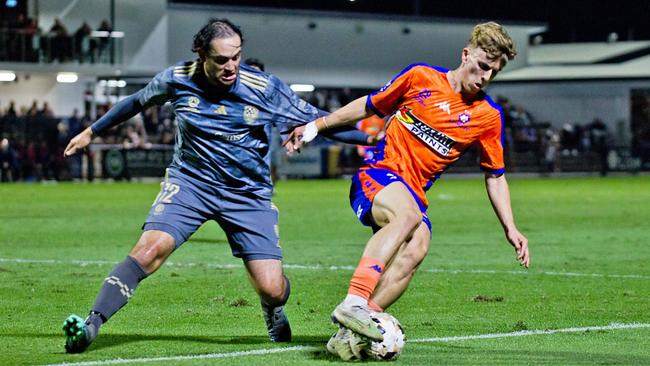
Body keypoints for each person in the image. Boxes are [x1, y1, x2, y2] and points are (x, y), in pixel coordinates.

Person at [61, 18, 374, 353]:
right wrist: (91, 132)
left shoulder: (263, 88)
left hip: (247, 194)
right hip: (190, 184)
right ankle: (91, 325)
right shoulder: (177, 79)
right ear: (201, 55)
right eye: (222, 60)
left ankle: (273, 309)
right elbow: (136, 102)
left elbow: (320, 120)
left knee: (271, 288)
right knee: (149, 251)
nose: (231, 67)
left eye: (236, 57)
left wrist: (372, 139)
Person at [286, 21, 530, 343]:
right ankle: (354, 301)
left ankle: (355, 331)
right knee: (409, 216)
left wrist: (510, 228)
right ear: (466, 54)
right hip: (377, 174)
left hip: (412, 192)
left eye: (493, 73)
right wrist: (317, 126)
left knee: (418, 246)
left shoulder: (488, 116)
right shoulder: (420, 77)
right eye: (483, 66)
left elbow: (495, 176)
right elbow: (369, 105)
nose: (485, 77)